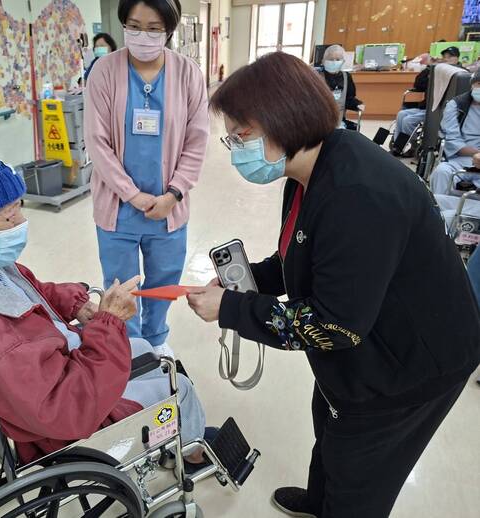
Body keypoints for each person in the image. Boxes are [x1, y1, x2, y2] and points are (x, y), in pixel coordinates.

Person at [185, 52, 480, 518]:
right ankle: (319, 501)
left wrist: (231, 309)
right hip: (363, 340)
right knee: (330, 424)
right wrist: (249, 281)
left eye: (241, 135)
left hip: (412, 364)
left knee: (359, 470)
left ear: (284, 120)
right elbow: (300, 257)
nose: (236, 147)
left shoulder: (358, 195)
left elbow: (332, 326)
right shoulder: (309, 169)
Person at [0, 130, 207, 465]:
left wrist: (74, 302)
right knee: (177, 386)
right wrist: (108, 324)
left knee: (145, 348)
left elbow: (28, 291)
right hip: (68, 416)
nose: (21, 221)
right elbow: (68, 407)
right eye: (9, 215)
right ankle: (192, 452)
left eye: (19, 207)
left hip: (51, 365)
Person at [84, 0, 209, 358]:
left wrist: (174, 194)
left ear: (169, 30)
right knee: (121, 286)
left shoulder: (188, 73)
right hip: (118, 209)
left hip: (168, 208)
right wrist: (133, 195)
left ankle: (155, 338)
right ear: (123, 24)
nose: (143, 36)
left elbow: (197, 140)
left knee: (163, 280)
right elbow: (97, 142)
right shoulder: (104, 71)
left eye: (154, 29)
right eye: (134, 26)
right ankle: (129, 346)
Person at [429, 70, 480, 195]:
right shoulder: (456, 105)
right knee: (441, 172)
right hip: (461, 160)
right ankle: (439, 206)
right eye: (479, 83)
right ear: (472, 84)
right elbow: (452, 140)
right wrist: (477, 154)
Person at [319, 44, 363, 130]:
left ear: (343, 61)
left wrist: (359, 105)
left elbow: (349, 99)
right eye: (331, 59)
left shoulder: (346, 77)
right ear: (323, 61)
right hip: (319, 120)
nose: (334, 62)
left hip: (339, 120)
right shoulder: (315, 76)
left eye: (338, 59)